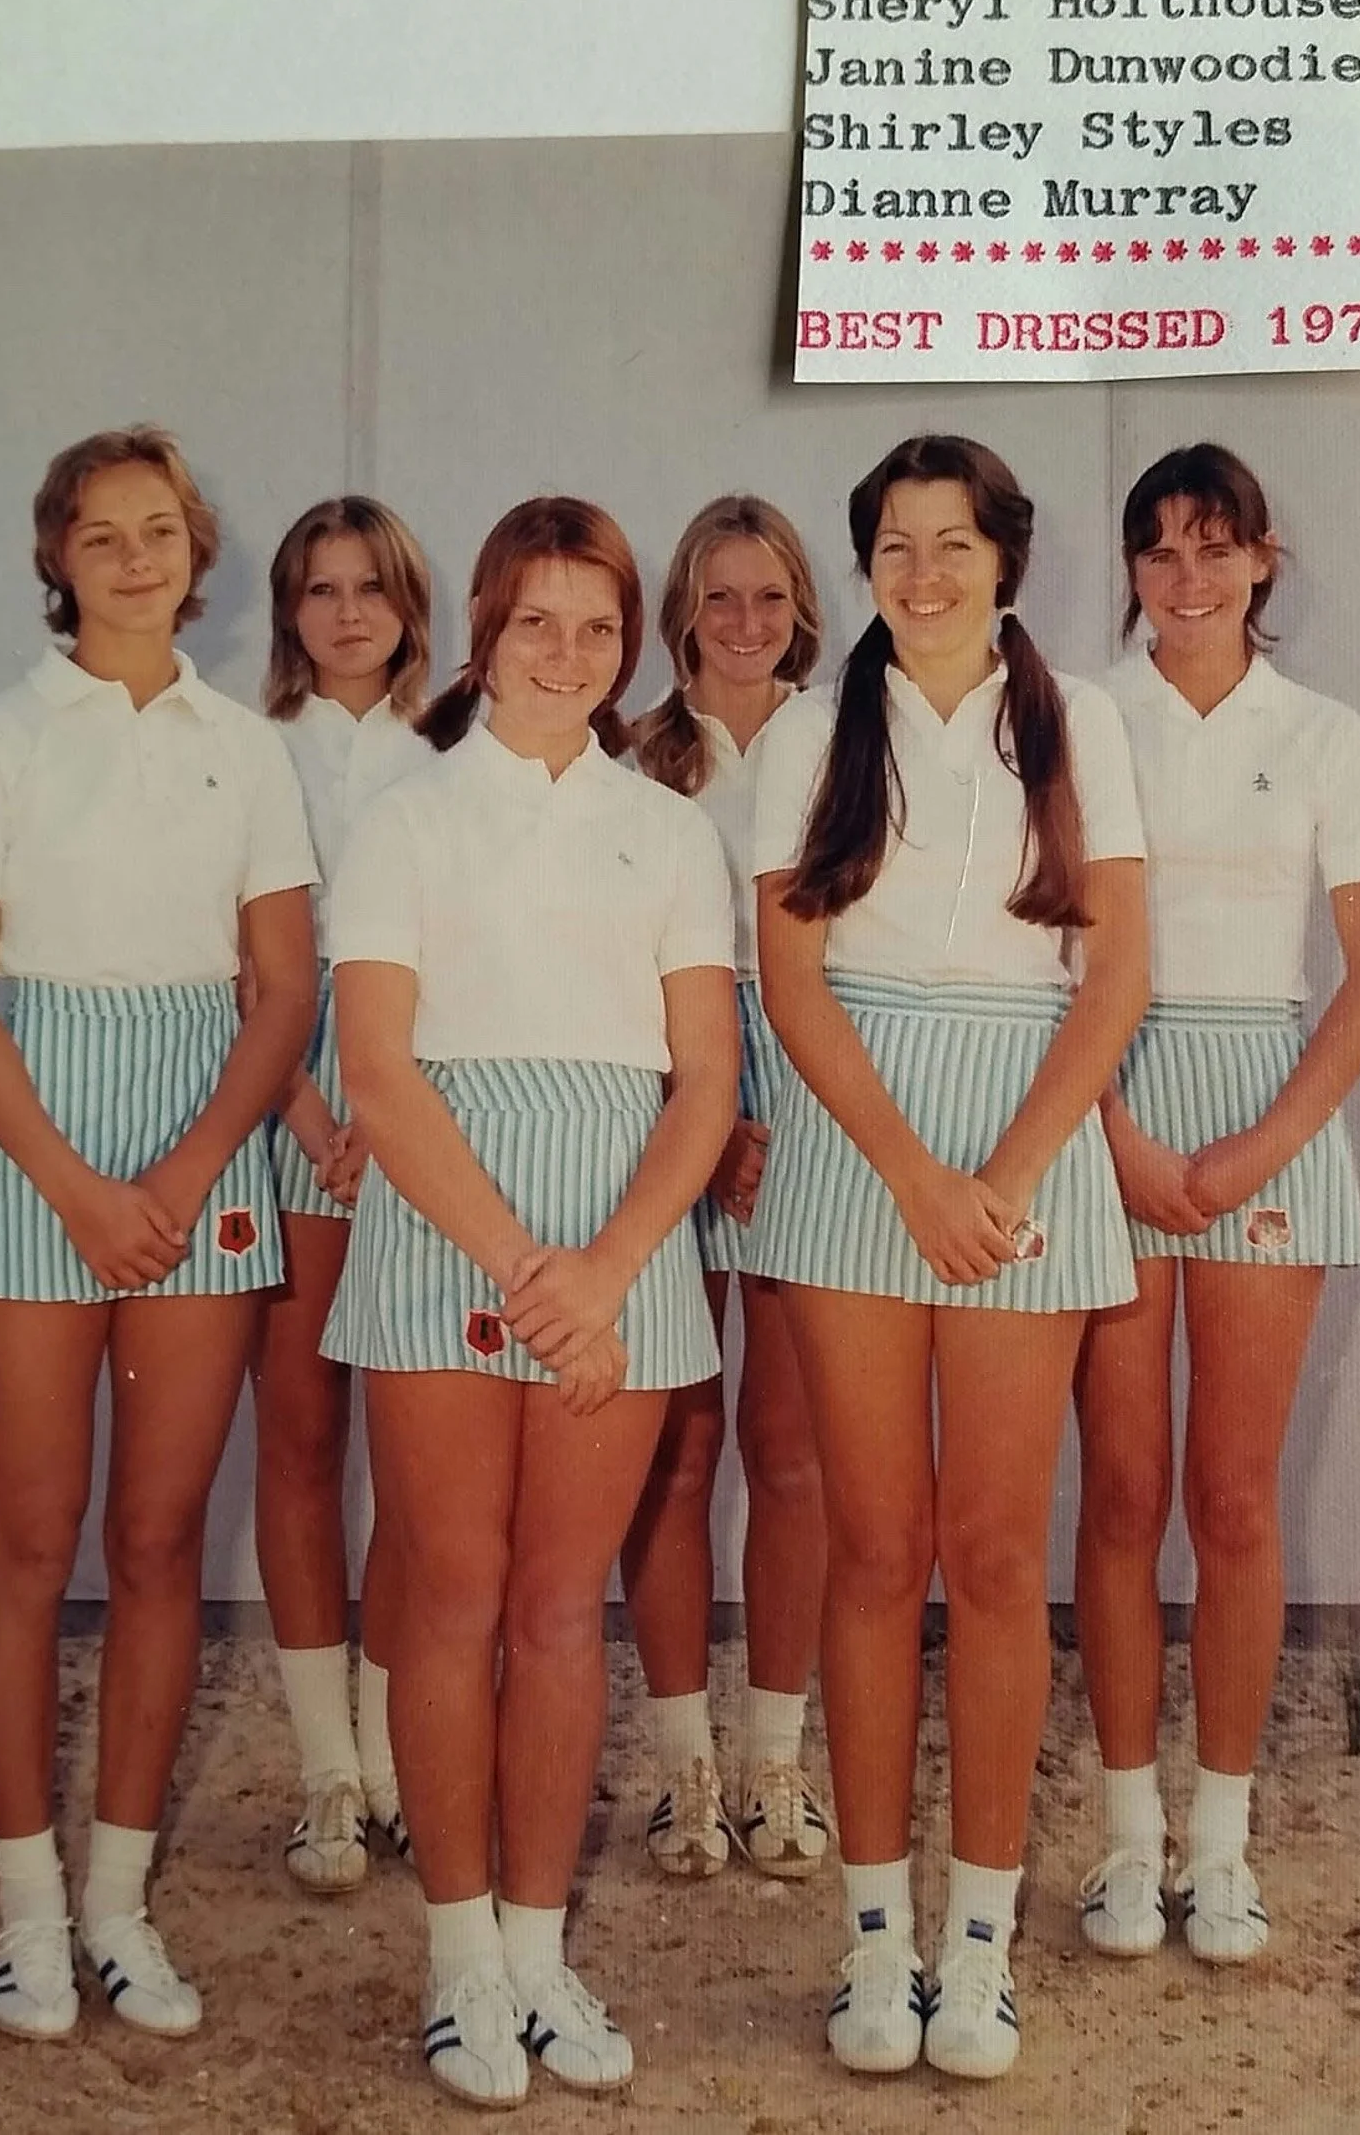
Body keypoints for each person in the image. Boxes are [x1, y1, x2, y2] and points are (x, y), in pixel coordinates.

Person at [318, 495, 737, 2108]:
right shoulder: (404, 819)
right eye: (534, 622)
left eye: (596, 625)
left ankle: (540, 1949)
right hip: (449, 1233)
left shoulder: (669, 832)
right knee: (450, 1596)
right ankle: (458, 1964)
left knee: (565, 1610)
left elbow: (703, 1084)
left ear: (629, 644)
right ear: (484, 634)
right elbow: (375, 1070)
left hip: (619, 1243)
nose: (565, 654)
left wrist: (607, 1266)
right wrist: (518, 1266)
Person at [0, 426, 318, 2041]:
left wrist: (193, 1167)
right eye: (102, 535)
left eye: (160, 531)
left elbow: (280, 992)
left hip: (202, 1152)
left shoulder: (250, 749)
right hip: (38, 1155)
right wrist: (81, 1189)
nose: (136, 559)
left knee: (159, 1542)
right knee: (30, 1538)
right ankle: (27, 1913)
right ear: (56, 558)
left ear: (196, 552)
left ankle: (118, 1908)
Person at [749, 433, 1148, 2081]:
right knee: (871, 1550)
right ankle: (871, 1942)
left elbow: (1112, 978)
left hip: (1022, 1153)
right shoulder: (805, 730)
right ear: (865, 568)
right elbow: (790, 984)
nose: (922, 575)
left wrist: (1003, 1173)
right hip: (859, 1152)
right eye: (894, 547)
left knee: (990, 1557)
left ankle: (975, 1950)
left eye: (953, 544)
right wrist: (912, 1175)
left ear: (1005, 560)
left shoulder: (1080, 722)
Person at [1074, 443, 1360, 1966]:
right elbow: (1049, 954)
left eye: (1215, 547)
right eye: (1159, 551)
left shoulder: (1325, 735)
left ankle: (1220, 1846)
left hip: (1267, 1120)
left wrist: (1260, 1149)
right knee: (1122, 1492)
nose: (1187, 578)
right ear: (1131, 570)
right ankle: (1125, 1843)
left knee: (1234, 1498)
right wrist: (1115, 1133)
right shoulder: (1079, 719)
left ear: (1263, 559)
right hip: (1109, 1113)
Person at [620, 495, 830, 1882]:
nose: (745, 624)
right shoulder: (633, 758)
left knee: (791, 1450)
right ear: (681, 614)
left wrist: (784, 1107)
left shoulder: (847, 743)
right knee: (676, 1451)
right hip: (668, 1090)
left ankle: (776, 1763)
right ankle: (684, 1768)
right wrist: (697, 1119)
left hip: (812, 1094)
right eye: (718, 598)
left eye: (768, 597)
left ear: (800, 608)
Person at [253, 496, 432, 1892]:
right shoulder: (248, 752)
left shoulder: (453, 756)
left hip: (423, 1115)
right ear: (290, 613)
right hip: (293, 1112)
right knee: (305, 1436)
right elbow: (233, 954)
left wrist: (391, 1120)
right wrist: (316, 1117)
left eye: (372, 586)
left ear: (409, 605)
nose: (349, 612)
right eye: (322, 590)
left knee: (421, 1463)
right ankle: (325, 1771)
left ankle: (397, 1752)